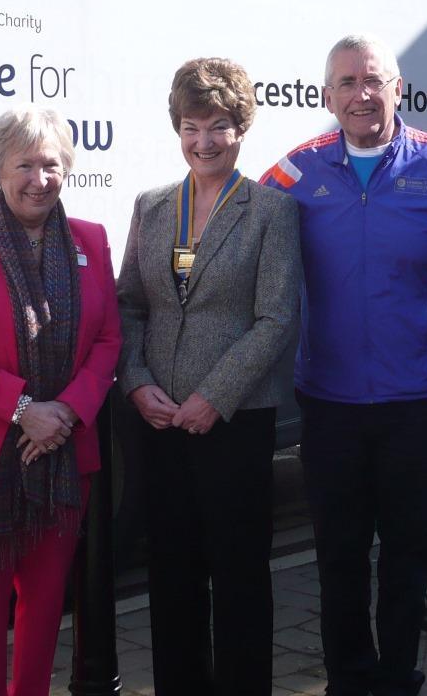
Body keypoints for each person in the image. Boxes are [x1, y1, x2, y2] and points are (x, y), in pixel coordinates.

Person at [260, 34, 427, 696]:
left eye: (372, 80)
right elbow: (234, 236)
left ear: (398, 88)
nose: (361, 94)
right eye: (346, 83)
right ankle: (348, 679)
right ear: (328, 96)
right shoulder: (295, 173)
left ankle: (398, 678)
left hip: (418, 404)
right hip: (331, 404)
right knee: (338, 558)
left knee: (407, 559)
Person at [116, 57, 301, 695]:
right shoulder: (151, 206)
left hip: (235, 423)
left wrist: (212, 398)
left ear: (241, 127)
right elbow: (129, 305)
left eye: (218, 125)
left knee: (241, 572)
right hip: (159, 422)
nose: (204, 141)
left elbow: (276, 320)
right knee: (170, 572)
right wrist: (137, 383)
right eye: (192, 126)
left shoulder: (273, 211)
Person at [0, 105, 121, 696]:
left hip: (63, 454)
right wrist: (22, 410)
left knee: (44, 608)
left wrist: (63, 413)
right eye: (25, 165)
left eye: (52, 164)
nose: (40, 178)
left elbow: (110, 337)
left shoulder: (91, 239)